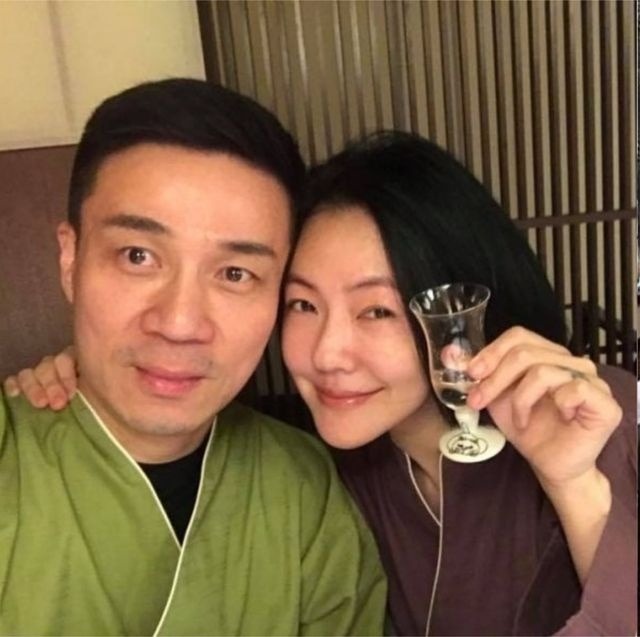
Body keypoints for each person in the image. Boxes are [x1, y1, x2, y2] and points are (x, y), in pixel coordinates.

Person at [9, 132, 636, 636]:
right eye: (303, 305)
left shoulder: (596, 418)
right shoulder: (339, 472)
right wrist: (112, 373)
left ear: (456, 314)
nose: (327, 354)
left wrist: (575, 487)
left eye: (377, 311)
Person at [0, 79, 387, 636]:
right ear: (70, 260)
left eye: (235, 273)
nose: (180, 324)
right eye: (138, 256)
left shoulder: (302, 488)